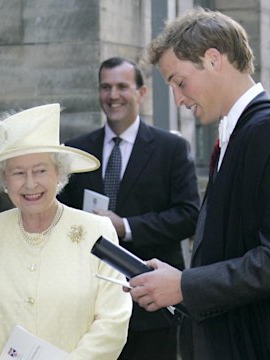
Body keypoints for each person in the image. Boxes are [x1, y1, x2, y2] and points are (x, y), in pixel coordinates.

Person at [127, 7, 270, 359]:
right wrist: (178, 279)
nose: (177, 99)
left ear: (213, 59)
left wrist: (184, 285)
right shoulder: (244, 133)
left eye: (179, 81)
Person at [0, 103, 132, 359]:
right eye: (18, 173)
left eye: (40, 170)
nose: (30, 183)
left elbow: (113, 321)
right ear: (4, 180)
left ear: (59, 172)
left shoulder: (97, 232)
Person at [57, 57, 200, 359]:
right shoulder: (76, 150)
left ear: (142, 93)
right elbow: (62, 217)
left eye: (122, 86)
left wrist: (126, 226)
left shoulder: (170, 149)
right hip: (90, 305)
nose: (113, 95)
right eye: (105, 87)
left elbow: (189, 216)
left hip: (150, 304)